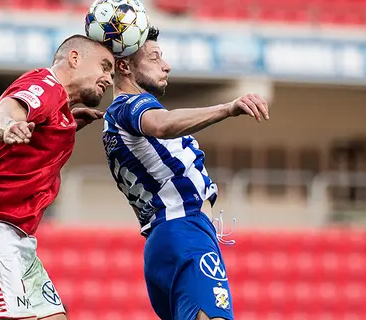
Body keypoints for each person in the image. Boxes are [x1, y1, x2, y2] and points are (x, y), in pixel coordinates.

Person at [0, 34, 114, 320]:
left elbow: (37, 134)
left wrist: (65, 125)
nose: (108, 78)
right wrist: (7, 127)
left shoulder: (60, 107)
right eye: (104, 66)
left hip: (17, 238)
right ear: (75, 58)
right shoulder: (43, 87)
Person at [101, 27, 269, 320]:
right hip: (185, 230)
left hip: (163, 240)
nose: (166, 65)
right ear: (124, 66)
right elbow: (162, 125)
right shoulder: (133, 105)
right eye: (154, 58)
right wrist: (228, 108)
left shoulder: (114, 120)